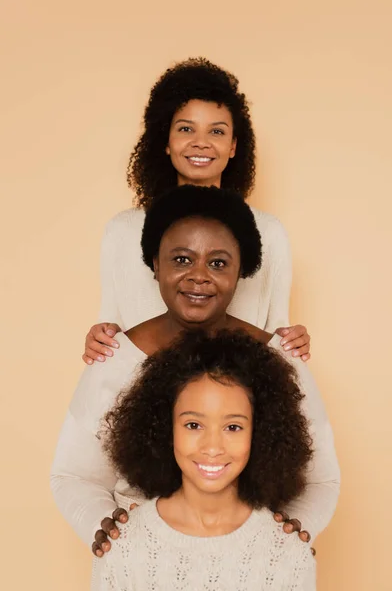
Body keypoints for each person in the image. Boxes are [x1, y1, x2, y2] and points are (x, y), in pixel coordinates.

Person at [51, 185, 339, 586]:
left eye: (219, 263)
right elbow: (73, 475)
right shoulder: (113, 356)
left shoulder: (280, 357)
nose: (199, 276)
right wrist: (110, 531)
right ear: (155, 263)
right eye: (181, 259)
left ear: (243, 270)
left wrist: (287, 535)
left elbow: (322, 478)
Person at [81, 57, 311, 367]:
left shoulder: (267, 232)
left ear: (233, 146)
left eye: (216, 132)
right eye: (186, 128)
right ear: (166, 141)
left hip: (234, 399)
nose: (200, 143)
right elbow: (110, 330)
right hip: (143, 398)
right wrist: (99, 336)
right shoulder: (123, 231)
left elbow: (276, 336)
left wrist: (293, 341)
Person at [99, 328, 316, 590]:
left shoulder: (289, 556)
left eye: (233, 427)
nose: (212, 447)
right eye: (193, 425)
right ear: (165, 429)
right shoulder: (122, 547)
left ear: (260, 433)